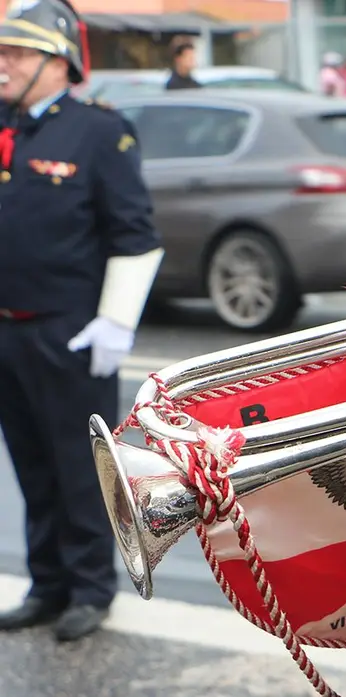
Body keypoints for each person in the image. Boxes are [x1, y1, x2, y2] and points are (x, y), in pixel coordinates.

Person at [0, 0, 163, 642]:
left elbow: (135, 235)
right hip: (8, 329)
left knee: (80, 467)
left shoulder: (99, 132)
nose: (3, 64)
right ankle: (47, 584)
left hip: (69, 334)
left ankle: (91, 588)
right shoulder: (7, 125)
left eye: (15, 54)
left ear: (57, 62)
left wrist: (115, 324)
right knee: (30, 464)